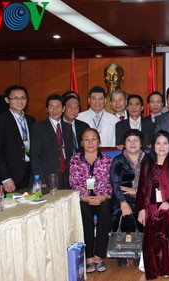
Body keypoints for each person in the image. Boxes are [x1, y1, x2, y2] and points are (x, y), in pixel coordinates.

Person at [136, 131, 169, 279]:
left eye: (165, 143)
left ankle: (168, 265)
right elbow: (141, 187)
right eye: (158, 143)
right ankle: (152, 265)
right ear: (153, 146)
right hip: (150, 206)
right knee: (151, 226)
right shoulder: (147, 162)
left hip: (168, 205)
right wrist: (141, 209)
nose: (161, 146)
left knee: (167, 226)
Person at [69, 128, 112, 273]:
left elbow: (111, 182)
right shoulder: (75, 159)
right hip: (83, 198)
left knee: (106, 210)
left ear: (99, 141)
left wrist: (104, 196)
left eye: (93, 138)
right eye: (86, 139)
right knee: (84, 213)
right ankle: (88, 257)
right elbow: (74, 181)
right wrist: (84, 197)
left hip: (102, 197)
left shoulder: (107, 159)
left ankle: (99, 255)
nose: (90, 142)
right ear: (81, 142)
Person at [110, 129, 146, 267]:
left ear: (141, 143)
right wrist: (122, 202)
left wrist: (136, 191)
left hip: (142, 197)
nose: (132, 143)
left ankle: (139, 253)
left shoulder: (148, 159)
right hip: (121, 198)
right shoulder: (118, 160)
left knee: (142, 213)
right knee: (122, 213)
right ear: (124, 143)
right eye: (129, 140)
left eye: (136, 140)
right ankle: (123, 252)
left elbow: (151, 182)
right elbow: (115, 183)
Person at [0, 85, 35, 192]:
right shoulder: (0, 120)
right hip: (10, 175)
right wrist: (5, 178)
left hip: (29, 173)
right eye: (15, 98)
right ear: (7, 100)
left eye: (23, 98)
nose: (20, 101)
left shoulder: (30, 120)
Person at [31, 94, 74, 189]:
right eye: (51, 107)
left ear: (63, 109)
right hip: (47, 176)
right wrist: (39, 179)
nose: (55, 110)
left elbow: (69, 153)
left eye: (58, 107)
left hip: (66, 176)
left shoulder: (68, 128)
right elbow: (35, 156)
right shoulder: (38, 127)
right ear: (47, 109)